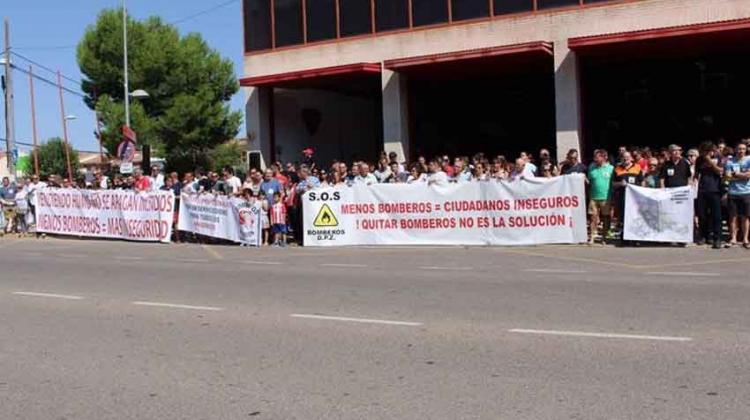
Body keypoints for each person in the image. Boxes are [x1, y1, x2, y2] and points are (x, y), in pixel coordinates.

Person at [694, 142, 723, 249]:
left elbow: (720, 171)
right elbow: (696, 174)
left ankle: (717, 238)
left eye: (708, 151)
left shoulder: (718, 157)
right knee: (702, 215)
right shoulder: (699, 160)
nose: (706, 154)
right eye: (704, 152)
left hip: (715, 190)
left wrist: (709, 161)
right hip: (702, 190)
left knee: (716, 216)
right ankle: (703, 236)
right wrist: (694, 184)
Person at [724, 141, 750, 248]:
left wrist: (737, 175)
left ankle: (745, 239)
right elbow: (727, 177)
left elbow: (749, 175)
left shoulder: (749, 160)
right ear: (735, 150)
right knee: (733, 217)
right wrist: (742, 176)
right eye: (739, 149)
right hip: (733, 192)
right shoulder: (730, 162)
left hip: (746, 192)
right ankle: (733, 238)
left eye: (743, 149)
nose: (741, 151)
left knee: (745, 217)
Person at [612, 151, 643, 239]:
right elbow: (613, 183)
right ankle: (624, 238)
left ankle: (636, 238)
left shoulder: (637, 167)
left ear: (631, 158)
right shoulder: (617, 168)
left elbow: (642, 182)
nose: (626, 159)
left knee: (635, 217)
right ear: (621, 158)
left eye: (628, 157)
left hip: (635, 198)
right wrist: (620, 183)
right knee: (623, 217)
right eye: (624, 157)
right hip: (622, 197)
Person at [587, 149, 614, 244]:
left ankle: (604, 237)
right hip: (593, 197)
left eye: (597, 157)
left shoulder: (611, 168)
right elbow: (589, 181)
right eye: (595, 157)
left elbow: (614, 183)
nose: (595, 159)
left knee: (606, 217)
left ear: (603, 157)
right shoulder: (591, 167)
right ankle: (592, 237)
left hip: (606, 197)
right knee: (593, 217)